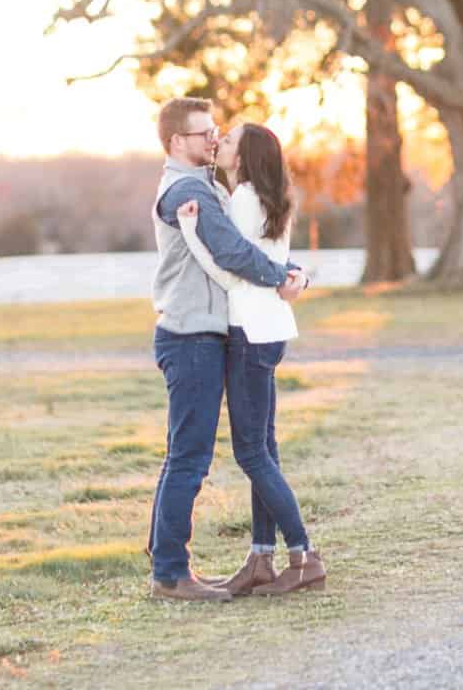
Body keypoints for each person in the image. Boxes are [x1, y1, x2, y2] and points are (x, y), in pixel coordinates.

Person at [147, 97, 306, 603]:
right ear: (177, 142)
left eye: (217, 132)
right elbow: (237, 254)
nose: (213, 140)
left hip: (213, 335)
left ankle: (176, 564)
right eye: (203, 134)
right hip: (191, 335)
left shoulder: (210, 186)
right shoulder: (186, 189)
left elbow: (255, 242)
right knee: (189, 458)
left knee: (192, 455)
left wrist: (292, 271)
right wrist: (283, 278)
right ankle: (172, 574)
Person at [178, 121, 326, 597]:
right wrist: (293, 275)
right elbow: (269, 265)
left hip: (251, 332)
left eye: (230, 141)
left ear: (243, 158)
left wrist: (189, 232)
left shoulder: (243, 200)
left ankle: (303, 556)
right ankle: (262, 558)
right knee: (264, 447)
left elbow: (231, 269)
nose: (219, 143)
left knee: (251, 452)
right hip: (273, 329)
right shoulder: (270, 197)